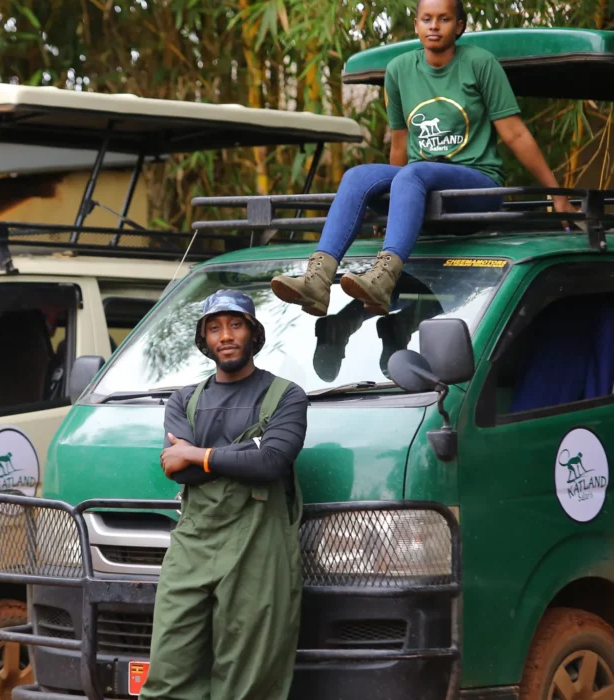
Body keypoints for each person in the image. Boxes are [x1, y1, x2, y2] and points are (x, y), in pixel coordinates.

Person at [271, 0, 574, 317]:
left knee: (412, 174)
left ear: (458, 26)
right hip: (418, 184)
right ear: (415, 25)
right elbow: (399, 144)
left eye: (444, 19)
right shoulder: (399, 70)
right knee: (357, 176)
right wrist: (397, 212)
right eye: (426, 19)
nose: (434, 25)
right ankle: (317, 282)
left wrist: (556, 194)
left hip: (477, 188)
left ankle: (384, 279)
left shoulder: (480, 64)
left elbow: (515, 134)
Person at [140, 289, 309, 700]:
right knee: (169, 669)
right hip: (193, 541)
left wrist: (196, 454)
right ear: (204, 341)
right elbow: (180, 475)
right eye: (214, 328)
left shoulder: (286, 395)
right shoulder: (184, 400)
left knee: (247, 678)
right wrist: (243, 452)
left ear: (253, 333)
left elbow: (271, 463)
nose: (225, 335)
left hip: (259, 545)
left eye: (236, 325)